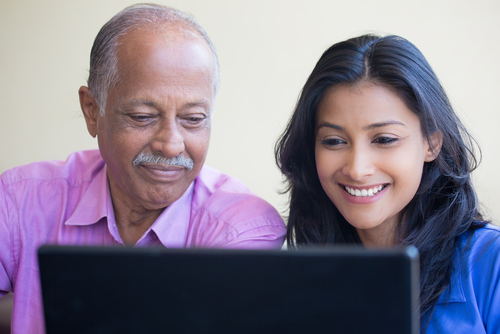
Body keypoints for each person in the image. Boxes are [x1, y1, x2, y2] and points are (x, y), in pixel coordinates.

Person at [0, 4, 286, 333]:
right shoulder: (18, 199)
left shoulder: (242, 229)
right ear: (93, 111)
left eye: (193, 120)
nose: (171, 144)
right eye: (142, 117)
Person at [275, 34, 500, 333]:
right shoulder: (301, 280)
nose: (357, 169)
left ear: (431, 143)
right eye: (333, 141)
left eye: (384, 140)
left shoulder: (489, 262)